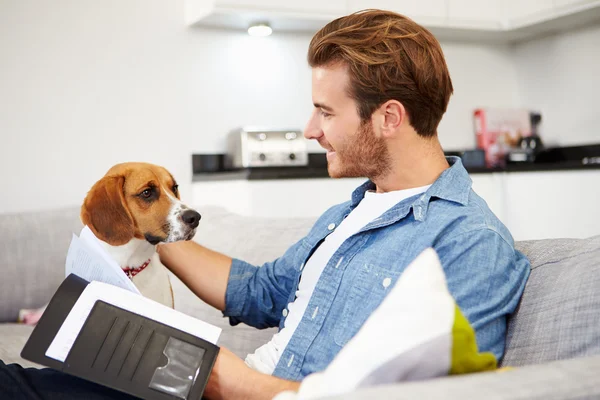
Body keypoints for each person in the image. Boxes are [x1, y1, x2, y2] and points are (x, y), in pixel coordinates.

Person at [0, 9, 530, 400]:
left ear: (389, 118)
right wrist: (148, 232)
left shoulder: (468, 242)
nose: (310, 130)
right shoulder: (352, 211)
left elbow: (440, 395)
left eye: (325, 112)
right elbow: (261, 291)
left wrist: (237, 382)